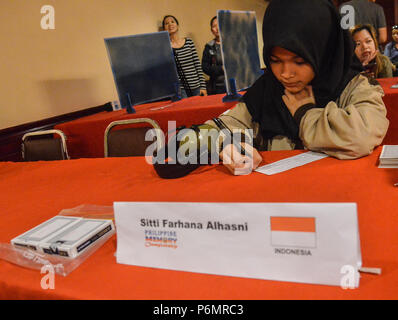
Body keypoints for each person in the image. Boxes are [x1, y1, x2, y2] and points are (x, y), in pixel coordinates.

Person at [203, 0, 389, 176]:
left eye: (299, 61)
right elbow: (216, 128)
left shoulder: (357, 86)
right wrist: (228, 144)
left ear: (324, 51)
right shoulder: (267, 88)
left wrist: (305, 113)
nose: (285, 73)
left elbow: (360, 137)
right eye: (275, 61)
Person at [162, 15, 207, 98]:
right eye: (166, 23)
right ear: (164, 29)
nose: (170, 24)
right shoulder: (166, 47)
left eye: (172, 22)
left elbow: (197, 65)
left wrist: (203, 87)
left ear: (177, 25)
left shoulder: (189, 42)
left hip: (196, 86)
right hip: (181, 89)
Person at [202, 16, 226, 95]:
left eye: (219, 24)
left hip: (236, 84)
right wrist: (221, 69)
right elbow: (205, 67)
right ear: (211, 30)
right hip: (218, 86)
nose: (217, 28)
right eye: (214, 26)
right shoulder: (209, 46)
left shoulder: (233, 43)